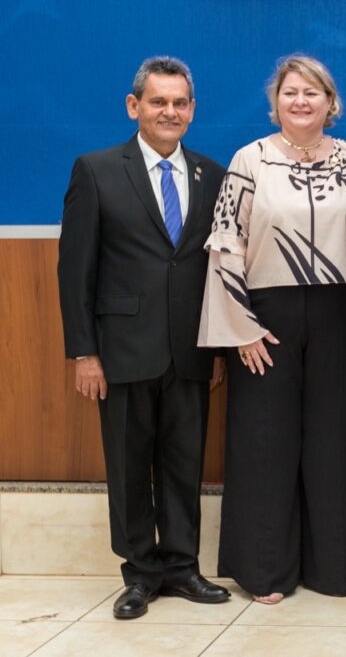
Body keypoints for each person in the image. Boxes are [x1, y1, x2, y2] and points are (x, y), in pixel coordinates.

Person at [198, 54, 346, 603]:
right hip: (264, 322)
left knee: (340, 442)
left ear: (332, 103)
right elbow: (225, 244)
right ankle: (265, 572)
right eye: (290, 92)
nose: (301, 101)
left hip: (341, 316)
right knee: (265, 446)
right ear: (274, 102)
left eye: (312, 92)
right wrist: (241, 329)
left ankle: (340, 569)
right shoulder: (248, 160)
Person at [57, 56, 230, 619]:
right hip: (122, 352)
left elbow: (219, 268)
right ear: (135, 107)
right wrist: (85, 352)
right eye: (159, 102)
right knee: (130, 466)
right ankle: (139, 573)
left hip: (191, 350)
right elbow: (75, 269)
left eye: (180, 103)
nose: (170, 112)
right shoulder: (97, 169)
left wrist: (221, 344)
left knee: (185, 462)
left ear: (193, 110)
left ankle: (182, 567)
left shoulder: (212, 174)